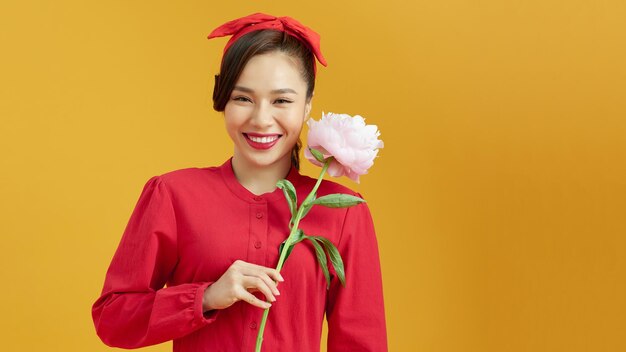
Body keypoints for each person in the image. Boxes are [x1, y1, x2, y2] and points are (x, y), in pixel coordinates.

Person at [92, 13, 387, 351]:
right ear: (223, 100)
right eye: (243, 98)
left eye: (282, 101)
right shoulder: (173, 195)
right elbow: (113, 320)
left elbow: (362, 343)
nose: (261, 119)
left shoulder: (344, 213)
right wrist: (206, 297)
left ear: (307, 106)